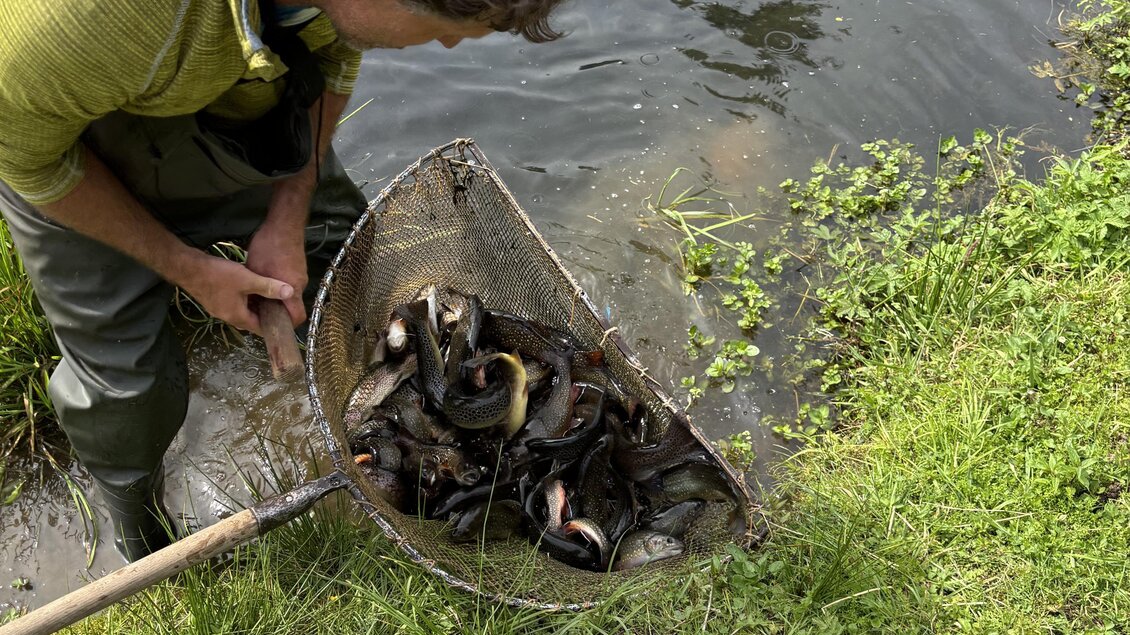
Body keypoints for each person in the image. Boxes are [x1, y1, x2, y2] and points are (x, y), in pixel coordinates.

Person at [0, 0, 564, 562]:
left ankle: (366, 413)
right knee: (127, 390)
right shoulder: (78, 21)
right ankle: (138, 530)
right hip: (62, 153)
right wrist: (190, 270)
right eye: (449, 30)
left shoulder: (348, 13)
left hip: (231, 97)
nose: (447, 46)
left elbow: (340, 49)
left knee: (345, 256)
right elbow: (29, 164)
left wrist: (287, 217)